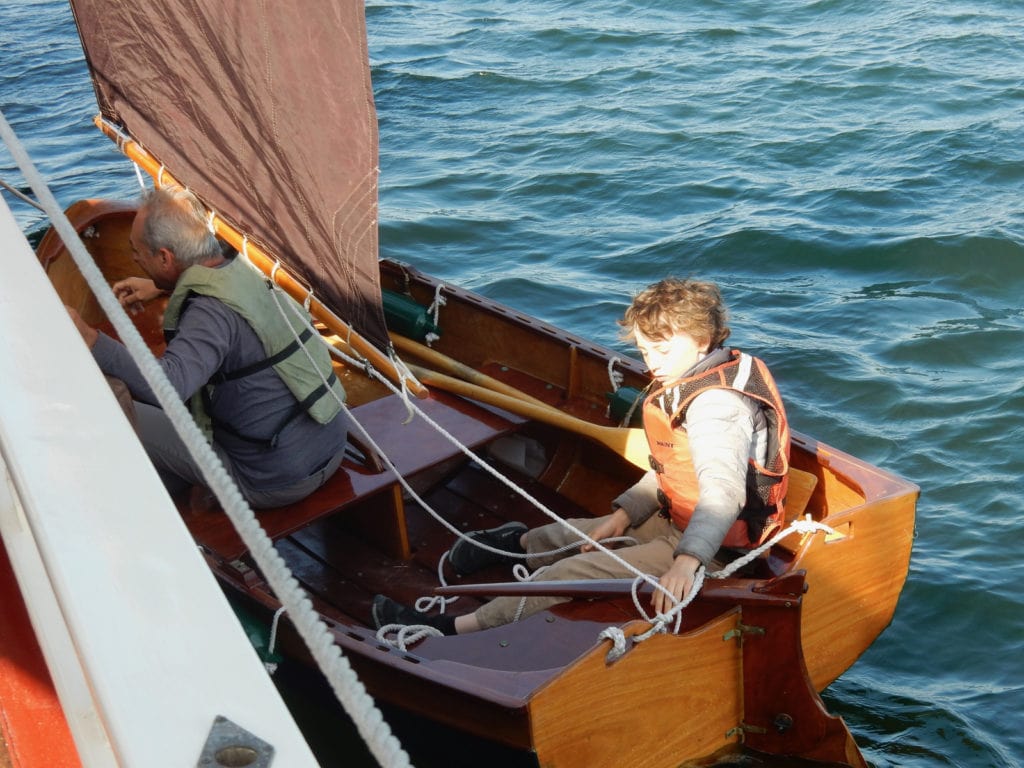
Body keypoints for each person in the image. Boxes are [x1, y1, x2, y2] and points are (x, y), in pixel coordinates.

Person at [372, 277, 790, 635]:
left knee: (565, 575)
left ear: (702, 340)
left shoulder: (717, 406)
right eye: (645, 352)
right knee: (576, 535)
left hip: (712, 548)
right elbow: (670, 468)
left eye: (663, 350)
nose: (652, 364)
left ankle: (454, 626)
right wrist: (622, 517)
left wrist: (685, 563)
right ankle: (513, 543)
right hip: (678, 521)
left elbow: (722, 493)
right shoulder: (693, 376)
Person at [67, 185, 349, 509]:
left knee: (109, 399)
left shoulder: (209, 312)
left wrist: (92, 339)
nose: (132, 259)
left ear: (165, 258)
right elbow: (234, 306)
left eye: (137, 252)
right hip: (328, 450)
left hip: (271, 480)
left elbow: (170, 386)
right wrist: (163, 287)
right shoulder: (253, 262)